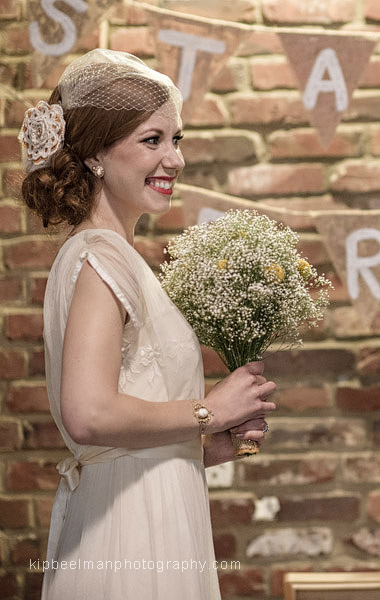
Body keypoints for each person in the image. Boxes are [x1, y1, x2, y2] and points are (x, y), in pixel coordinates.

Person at [18, 49, 277, 599]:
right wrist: (212, 411)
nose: (175, 160)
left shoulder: (117, 257)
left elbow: (123, 424)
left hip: (150, 507)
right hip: (129, 531)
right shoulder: (100, 257)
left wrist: (204, 443)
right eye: (151, 140)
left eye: (176, 140)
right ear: (94, 155)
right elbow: (87, 414)